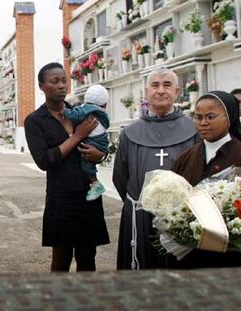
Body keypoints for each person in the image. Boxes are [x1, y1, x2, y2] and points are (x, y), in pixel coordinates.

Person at [24, 62, 110, 272]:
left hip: (88, 195)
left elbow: (99, 144)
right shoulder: (35, 121)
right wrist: (77, 136)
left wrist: (100, 155)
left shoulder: (80, 112)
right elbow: (44, 160)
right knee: (61, 259)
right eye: (55, 81)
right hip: (61, 198)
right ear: (41, 86)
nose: (62, 86)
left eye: (64, 80)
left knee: (88, 258)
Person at [113, 68, 199, 270]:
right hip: (140, 215)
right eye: (155, 85)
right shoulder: (130, 133)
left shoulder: (193, 130)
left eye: (167, 85)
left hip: (182, 215)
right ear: (146, 92)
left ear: (177, 92)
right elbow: (120, 177)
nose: (161, 91)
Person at [169, 90, 241, 268]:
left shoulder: (239, 153)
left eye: (210, 116)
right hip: (190, 254)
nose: (203, 123)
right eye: (198, 117)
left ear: (229, 117)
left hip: (232, 256)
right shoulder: (185, 158)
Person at [63, 84, 110, 201]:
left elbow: (75, 115)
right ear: (104, 104)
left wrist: (64, 112)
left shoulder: (88, 109)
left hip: (95, 141)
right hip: (101, 140)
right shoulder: (98, 111)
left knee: (86, 164)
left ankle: (96, 184)